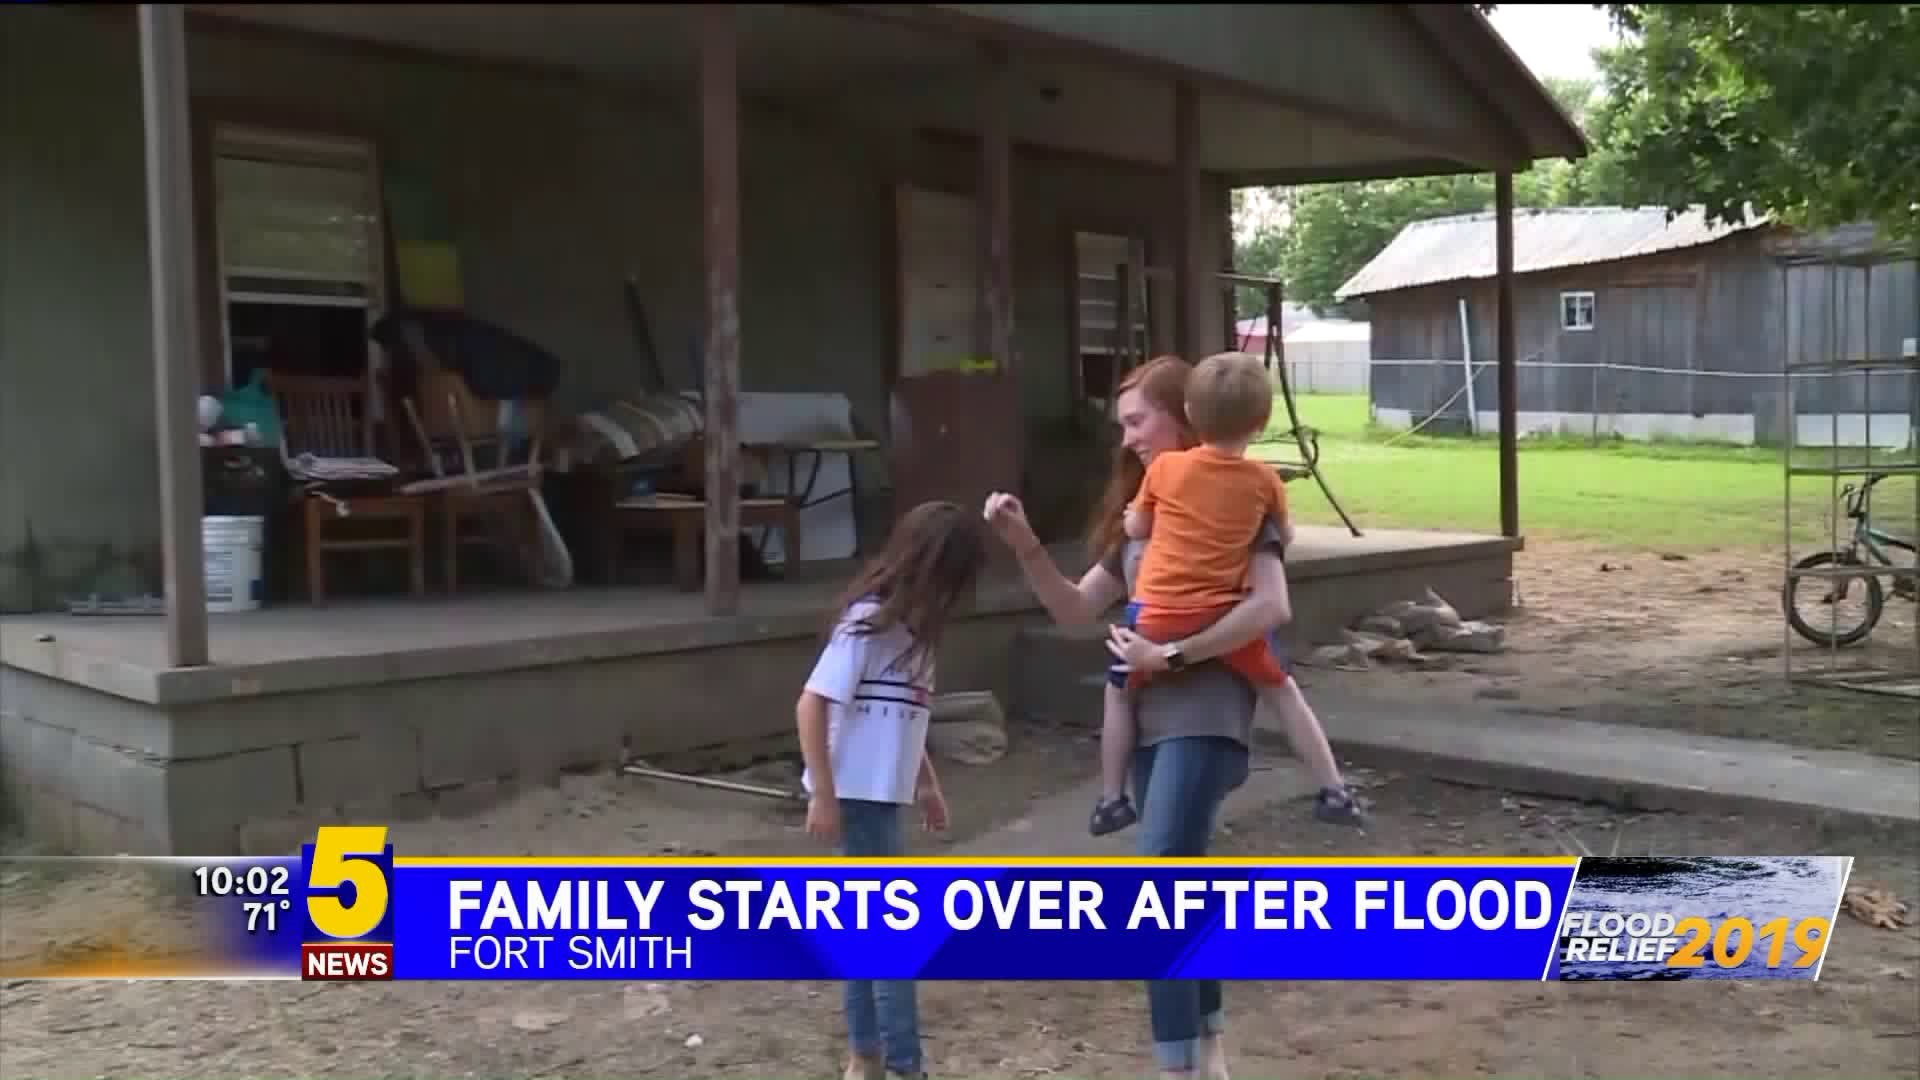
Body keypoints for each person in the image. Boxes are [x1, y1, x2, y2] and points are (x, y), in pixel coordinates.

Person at [982, 354, 1356, 1079]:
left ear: (1183, 417)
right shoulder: (1143, 522)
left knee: (1153, 883)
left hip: (1207, 713)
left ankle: (1176, 1066)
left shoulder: (1245, 506)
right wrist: (1025, 542)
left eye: (1136, 421)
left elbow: (1270, 607)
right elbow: (1071, 612)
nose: (1126, 440)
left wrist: (1173, 654)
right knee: (1180, 880)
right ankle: (1208, 1044)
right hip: (1148, 725)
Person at [1088, 350, 1354, 835]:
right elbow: (1283, 534)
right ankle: (1333, 788)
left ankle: (1110, 797)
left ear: (1188, 413)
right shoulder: (1266, 480)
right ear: (1263, 421)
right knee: (1283, 692)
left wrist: (1131, 520)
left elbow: (1140, 524)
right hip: (1220, 616)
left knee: (1118, 692)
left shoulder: (1165, 472)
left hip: (1157, 615)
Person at [794, 500, 989, 1080]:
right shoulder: (867, 624)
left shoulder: (918, 639)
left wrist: (926, 784)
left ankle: (868, 1057)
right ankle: (902, 1064)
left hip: (885, 796)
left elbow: (908, 721)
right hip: (856, 799)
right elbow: (811, 704)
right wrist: (823, 794)